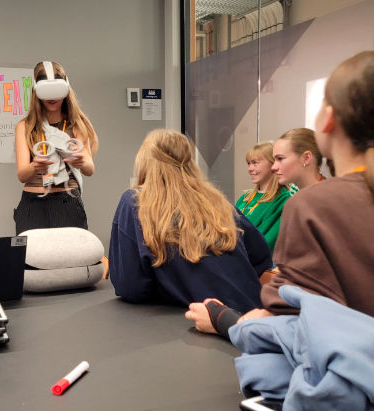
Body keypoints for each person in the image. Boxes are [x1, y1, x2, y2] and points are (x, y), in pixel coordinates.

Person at [185, 50, 374, 334]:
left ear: (329, 119)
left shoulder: (311, 205)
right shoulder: (315, 200)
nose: (272, 167)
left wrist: (224, 321)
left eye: (279, 159)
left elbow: (288, 322)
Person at [109, 129, 273, 312]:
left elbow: (131, 288)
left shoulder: (135, 202)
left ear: (145, 162)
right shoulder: (217, 201)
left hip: (213, 321)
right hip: (254, 316)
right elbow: (262, 257)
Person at [14, 61, 98, 234]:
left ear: (66, 89)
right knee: (29, 252)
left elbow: (90, 169)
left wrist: (81, 162)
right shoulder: (25, 127)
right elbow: (22, 175)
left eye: (57, 91)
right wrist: (35, 166)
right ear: (37, 92)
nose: (52, 98)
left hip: (67, 201)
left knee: (73, 252)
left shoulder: (76, 124)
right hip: (33, 203)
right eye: (47, 92)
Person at [235, 142, 291, 252]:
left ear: (273, 164)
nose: (250, 169)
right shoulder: (245, 197)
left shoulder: (282, 200)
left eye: (255, 163)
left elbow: (266, 243)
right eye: (249, 164)